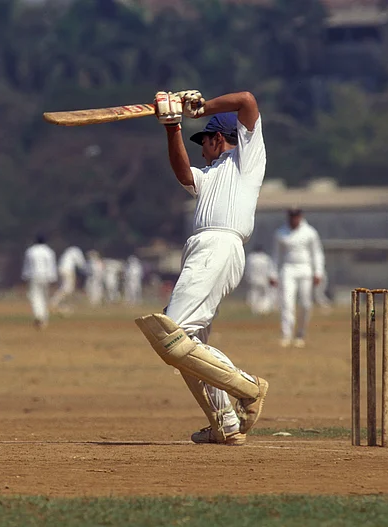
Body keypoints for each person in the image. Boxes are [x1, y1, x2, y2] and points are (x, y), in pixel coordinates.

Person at [134, 89, 269, 446]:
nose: (201, 149)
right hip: (202, 249)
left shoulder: (246, 159)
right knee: (188, 346)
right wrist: (172, 126)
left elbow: (247, 101)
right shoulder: (208, 176)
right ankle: (224, 422)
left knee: (171, 335)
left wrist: (200, 108)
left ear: (218, 138)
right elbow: (182, 173)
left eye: (203, 141)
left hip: (219, 246)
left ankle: (249, 387)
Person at [270, 208, 325, 348]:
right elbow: (276, 255)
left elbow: (317, 253)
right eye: (292, 216)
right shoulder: (281, 233)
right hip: (288, 269)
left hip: (305, 269)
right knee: (287, 303)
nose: (294, 219)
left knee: (306, 304)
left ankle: (300, 334)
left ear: (301, 216)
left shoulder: (310, 233)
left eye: (296, 216)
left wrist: (318, 272)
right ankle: (286, 335)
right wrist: (273, 273)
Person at [22, 234, 57, 329]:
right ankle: (44, 319)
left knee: (35, 297)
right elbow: (51, 266)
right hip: (46, 276)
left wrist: (25, 277)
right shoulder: (49, 251)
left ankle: (38, 315)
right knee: (45, 298)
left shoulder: (31, 251)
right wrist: (53, 278)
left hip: (34, 276)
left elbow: (27, 265)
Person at [50, 245, 86, 313]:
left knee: (63, 288)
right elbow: (81, 264)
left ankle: (62, 306)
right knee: (67, 289)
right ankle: (54, 301)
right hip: (68, 270)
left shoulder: (67, 251)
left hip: (60, 269)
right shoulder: (76, 251)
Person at [244, 246, 274, 315]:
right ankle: (264, 310)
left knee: (254, 295)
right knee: (264, 295)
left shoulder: (250, 258)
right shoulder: (266, 258)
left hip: (253, 279)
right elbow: (270, 270)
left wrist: (247, 278)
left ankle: (254, 311)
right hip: (264, 280)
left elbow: (247, 269)